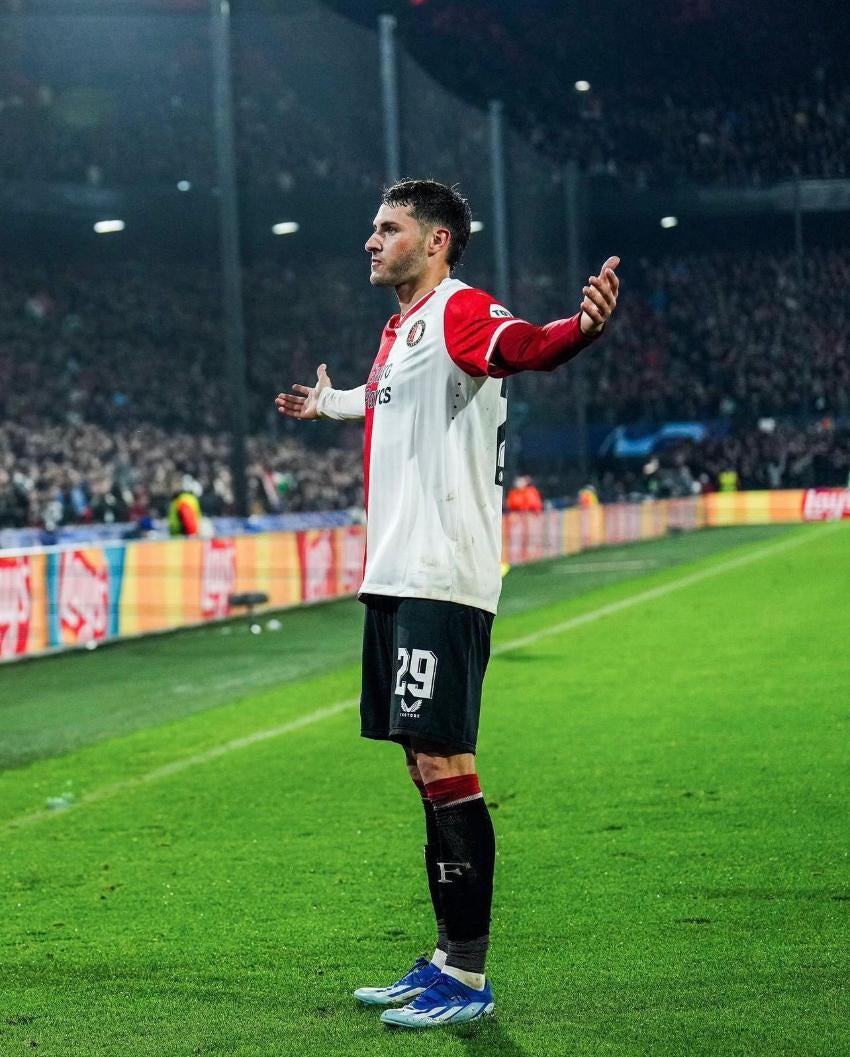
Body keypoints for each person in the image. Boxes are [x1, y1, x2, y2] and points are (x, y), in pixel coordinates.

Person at [275, 178, 619, 1029]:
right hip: (396, 575)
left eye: (388, 228)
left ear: (435, 242)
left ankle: (466, 974)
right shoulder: (400, 331)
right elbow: (386, 403)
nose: (370, 239)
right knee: (420, 765)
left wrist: (579, 328)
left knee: (444, 764)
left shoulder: (460, 310)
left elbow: (524, 344)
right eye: (372, 225)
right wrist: (330, 402)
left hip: (441, 575)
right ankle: (444, 956)